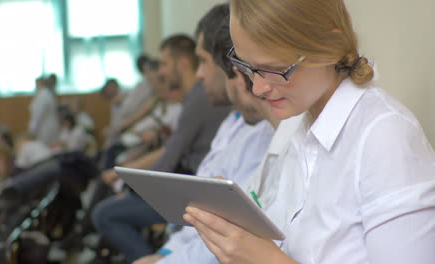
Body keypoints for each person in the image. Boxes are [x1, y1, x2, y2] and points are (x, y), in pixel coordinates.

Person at [184, 1, 435, 264]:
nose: (257, 88)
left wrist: (264, 259)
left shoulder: (384, 136)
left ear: (328, 46)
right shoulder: (301, 127)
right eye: (248, 67)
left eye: (275, 69)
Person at [133, 4, 277, 264]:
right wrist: (165, 255)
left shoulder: (264, 135)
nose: (199, 74)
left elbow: (225, 236)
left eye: (203, 61)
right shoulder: (236, 122)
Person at [91, 34, 232, 263]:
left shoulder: (199, 99)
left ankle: (149, 258)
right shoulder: (194, 98)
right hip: (187, 186)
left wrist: (129, 186)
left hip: (188, 195)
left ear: (183, 63)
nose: (161, 72)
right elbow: (169, 150)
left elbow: (168, 159)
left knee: (104, 214)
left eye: (165, 64)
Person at [28, 77, 60, 145]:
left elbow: (38, 114)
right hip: (48, 126)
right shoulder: (47, 94)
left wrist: (32, 129)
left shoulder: (43, 95)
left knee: (45, 147)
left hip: (45, 128)